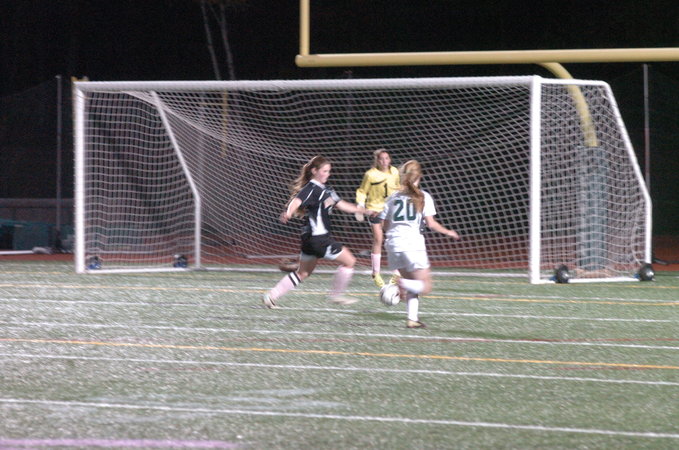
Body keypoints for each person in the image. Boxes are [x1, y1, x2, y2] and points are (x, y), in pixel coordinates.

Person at [263, 155, 375, 308]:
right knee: (350, 261)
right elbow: (296, 201)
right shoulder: (311, 188)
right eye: (324, 171)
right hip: (318, 238)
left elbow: (342, 205)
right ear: (314, 171)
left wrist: (365, 211)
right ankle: (336, 296)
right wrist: (288, 212)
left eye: (328, 171)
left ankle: (271, 296)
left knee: (303, 273)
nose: (327, 174)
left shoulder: (327, 190)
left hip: (310, 239)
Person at [379, 160, 460, 328]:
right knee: (425, 286)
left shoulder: (392, 197)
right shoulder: (422, 196)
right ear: (419, 176)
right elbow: (431, 224)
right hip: (412, 244)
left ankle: (412, 319)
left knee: (413, 284)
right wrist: (448, 232)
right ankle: (399, 284)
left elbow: (384, 225)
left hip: (393, 244)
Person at [355, 149, 401, 288]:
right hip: (375, 209)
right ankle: (376, 273)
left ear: (390, 159)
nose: (384, 161)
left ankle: (397, 272)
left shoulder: (395, 172)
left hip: (391, 210)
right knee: (378, 239)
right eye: (381, 159)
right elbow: (362, 191)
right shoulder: (370, 174)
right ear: (377, 160)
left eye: (386, 158)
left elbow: (398, 189)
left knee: (394, 240)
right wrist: (360, 206)